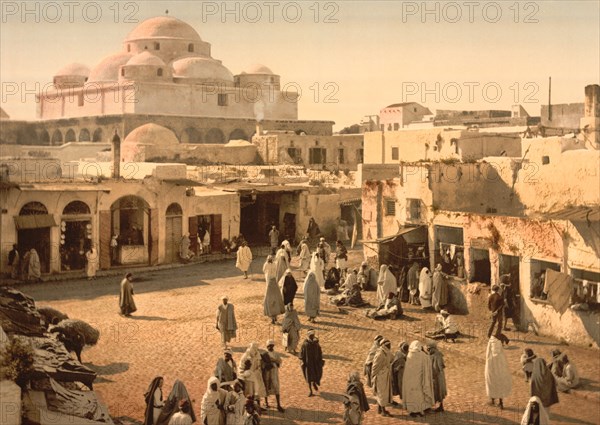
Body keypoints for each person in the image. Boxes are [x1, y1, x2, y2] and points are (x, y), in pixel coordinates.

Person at [402, 340, 434, 417]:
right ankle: (418, 410)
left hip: (409, 381)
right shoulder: (422, 356)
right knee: (419, 396)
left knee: (411, 395)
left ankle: (413, 411)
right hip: (418, 381)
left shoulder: (409, 355)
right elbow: (428, 362)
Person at [485, 334, 512, 409]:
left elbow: (488, 355)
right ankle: (500, 402)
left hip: (491, 367)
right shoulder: (500, 350)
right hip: (500, 369)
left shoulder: (491, 342)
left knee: (491, 382)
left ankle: (493, 400)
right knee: (500, 383)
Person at [371, 338, 393, 416]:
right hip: (380, 376)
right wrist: (373, 376)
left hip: (385, 375)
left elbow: (391, 359)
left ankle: (380, 409)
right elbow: (375, 366)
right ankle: (383, 411)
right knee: (382, 393)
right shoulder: (380, 353)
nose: (390, 346)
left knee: (383, 393)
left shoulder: (386, 352)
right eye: (388, 345)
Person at [262, 340, 285, 412]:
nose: (270, 347)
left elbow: (279, 361)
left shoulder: (276, 354)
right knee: (266, 386)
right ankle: (266, 403)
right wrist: (267, 365)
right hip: (267, 372)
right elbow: (262, 364)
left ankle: (278, 405)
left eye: (271, 346)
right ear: (267, 346)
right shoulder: (264, 354)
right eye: (269, 346)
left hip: (274, 372)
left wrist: (275, 363)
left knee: (276, 387)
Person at [300, 329, 324, 397]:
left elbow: (320, 352)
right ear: (308, 336)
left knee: (316, 374)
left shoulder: (316, 344)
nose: (312, 337)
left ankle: (314, 383)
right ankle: (310, 390)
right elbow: (302, 353)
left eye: (313, 335)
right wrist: (302, 360)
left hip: (315, 363)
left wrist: (320, 359)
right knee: (308, 377)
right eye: (310, 336)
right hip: (308, 364)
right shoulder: (305, 344)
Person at [427, 342, 447, 412]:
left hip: (438, 376)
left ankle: (441, 406)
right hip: (434, 376)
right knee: (435, 391)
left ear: (433, 348)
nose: (428, 350)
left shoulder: (438, 355)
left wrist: (436, 373)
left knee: (439, 390)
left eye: (429, 349)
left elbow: (440, 366)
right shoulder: (432, 355)